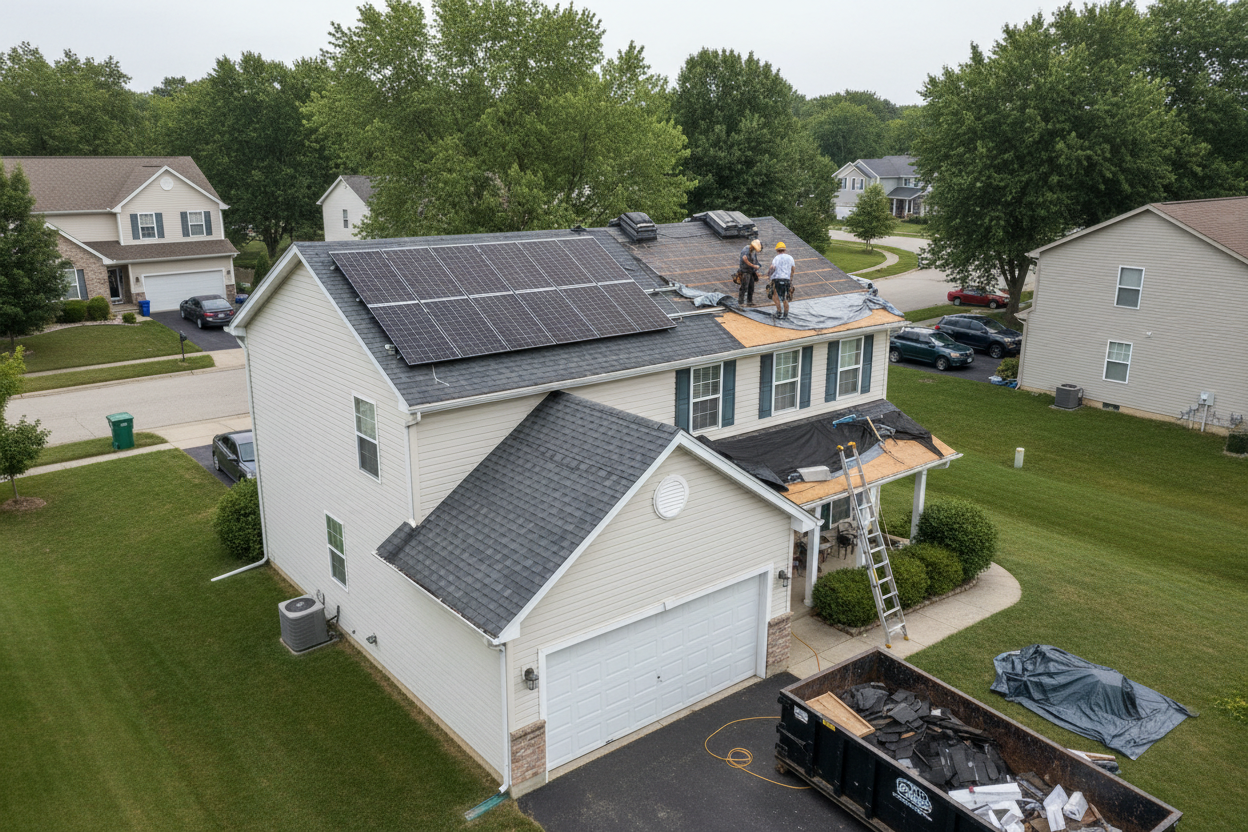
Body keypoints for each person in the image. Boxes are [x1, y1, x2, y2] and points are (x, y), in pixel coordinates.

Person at [767, 241, 796, 319]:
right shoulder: (790, 257)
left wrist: (768, 274)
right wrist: (790, 279)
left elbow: (772, 268)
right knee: (784, 297)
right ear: (785, 250)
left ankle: (779, 312)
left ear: (777, 250)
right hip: (786, 280)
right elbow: (793, 269)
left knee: (775, 296)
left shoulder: (776, 258)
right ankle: (785, 315)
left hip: (777, 279)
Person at [737, 239, 762, 306]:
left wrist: (756, 269)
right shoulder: (746, 250)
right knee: (744, 287)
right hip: (745, 271)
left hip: (751, 271)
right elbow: (745, 259)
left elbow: (755, 261)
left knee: (751, 287)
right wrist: (753, 266)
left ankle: (749, 302)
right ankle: (740, 302)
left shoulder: (753, 251)